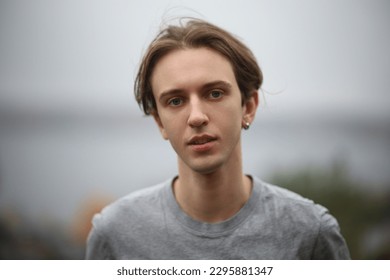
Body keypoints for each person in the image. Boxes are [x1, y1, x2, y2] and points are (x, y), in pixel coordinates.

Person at [85, 18, 350, 259]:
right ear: (159, 122)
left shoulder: (309, 233)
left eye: (214, 94)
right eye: (175, 101)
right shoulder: (115, 234)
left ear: (248, 106)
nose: (196, 117)